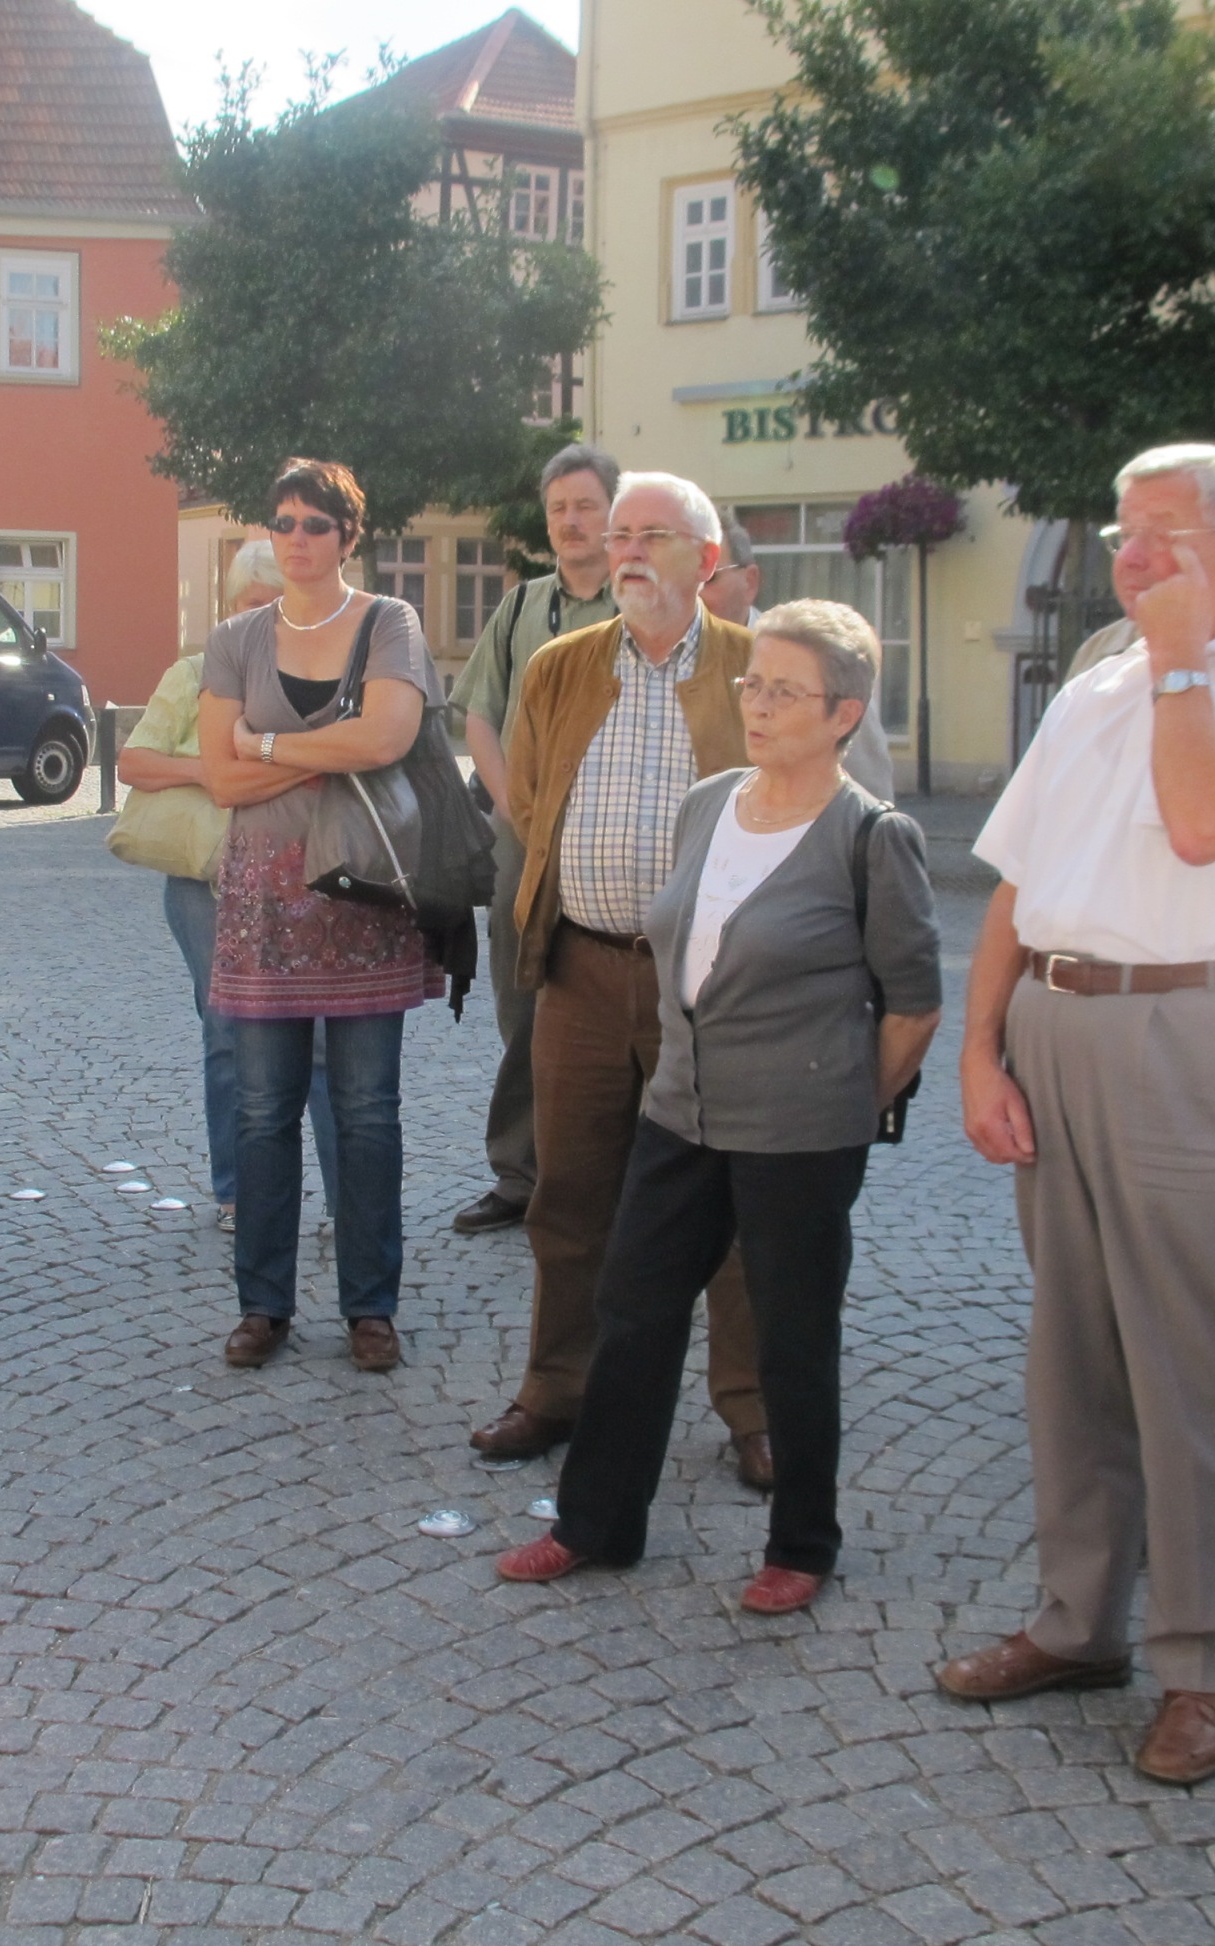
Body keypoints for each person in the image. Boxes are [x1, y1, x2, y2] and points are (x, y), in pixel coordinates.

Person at [940, 443, 1215, 1786]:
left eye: (1161, 538)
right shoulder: (1094, 688)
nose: (1128, 561)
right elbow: (1012, 880)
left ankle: (1202, 1664)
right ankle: (1078, 1622)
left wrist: (1183, 664)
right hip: (1059, 1017)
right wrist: (980, 1047)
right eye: (1121, 534)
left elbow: (1202, 828)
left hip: (1196, 1022)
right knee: (1071, 1354)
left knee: (1188, 1363)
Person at [495, 600, 938, 1612]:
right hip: (679, 1111)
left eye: (784, 689)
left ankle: (801, 1541)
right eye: (752, 682)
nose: (757, 702)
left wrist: (841, 1105)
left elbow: (911, 1005)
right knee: (632, 1309)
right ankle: (595, 1522)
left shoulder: (872, 837)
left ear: (843, 712)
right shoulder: (707, 803)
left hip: (798, 1131)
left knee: (791, 1331)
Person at [475, 471, 775, 1490]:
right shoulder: (557, 667)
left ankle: (753, 1408)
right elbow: (527, 794)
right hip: (583, 972)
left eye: (654, 533)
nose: (629, 549)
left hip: (717, 988)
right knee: (568, 1197)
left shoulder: (754, 668)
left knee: (731, 1208)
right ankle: (557, 1386)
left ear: (705, 554)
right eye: (619, 533)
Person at [198, 457, 438, 1373]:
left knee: (369, 1114)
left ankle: (370, 1309)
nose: (295, 538)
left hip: (366, 896)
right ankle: (263, 1305)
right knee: (262, 1113)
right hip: (263, 903)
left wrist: (266, 742)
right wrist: (322, 753)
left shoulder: (389, 624)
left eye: (314, 524)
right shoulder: (236, 638)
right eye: (283, 522)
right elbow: (219, 776)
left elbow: (389, 737)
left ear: (348, 535)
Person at [115, 539, 337, 1234]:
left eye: (280, 602)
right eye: (252, 602)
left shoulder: (328, 676)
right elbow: (132, 760)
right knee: (229, 1034)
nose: (266, 615)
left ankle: (343, 1196)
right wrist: (210, 773)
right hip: (205, 885)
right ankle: (240, 1192)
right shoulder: (192, 675)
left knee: (326, 1039)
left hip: (309, 881)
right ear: (229, 608)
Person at [451, 442, 620, 1235]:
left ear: (613, 513)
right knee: (522, 1006)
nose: (571, 521)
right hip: (522, 840)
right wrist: (512, 794)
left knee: (615, 1004)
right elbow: (477, 708)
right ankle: (520, 1174)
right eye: (559, 509)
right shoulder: (520, 608)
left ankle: (604, 1181)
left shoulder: (640, 606)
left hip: (614, 839)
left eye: (586, 505)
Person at [704, 512, 897, 802]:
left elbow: (869, 795)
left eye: (708, 578)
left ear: (750, 582)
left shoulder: (812, 656)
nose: (689, 594)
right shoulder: (646, 665)